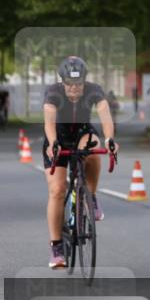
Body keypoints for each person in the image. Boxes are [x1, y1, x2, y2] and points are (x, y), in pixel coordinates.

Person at [43, 56, 118, 268]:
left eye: (79, 84)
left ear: (85, 81)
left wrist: (110, 138)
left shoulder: (94, 90)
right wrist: (53, 142)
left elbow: (105, 115)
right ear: (62, 82)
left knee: (94, 149)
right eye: (70, 84)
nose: (75, 89)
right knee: (57, 190)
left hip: (82, 134)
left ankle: (90, 196)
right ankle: (56, 247)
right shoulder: (53, 92)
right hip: (58, 138)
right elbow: (49, 120)